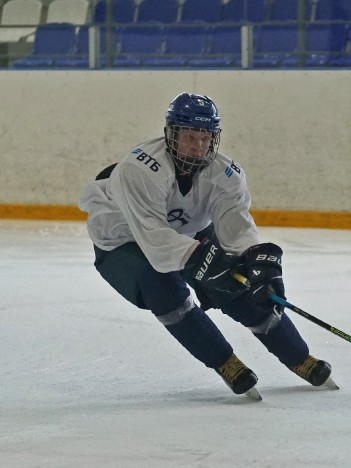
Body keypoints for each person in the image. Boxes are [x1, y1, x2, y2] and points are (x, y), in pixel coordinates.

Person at [78, 92, 335, 399]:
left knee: (240, 283)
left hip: (187, 231)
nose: (198, 147)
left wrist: (255, 261)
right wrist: (202, 261)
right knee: (162, 287)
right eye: (189, 137)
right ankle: (225, 362)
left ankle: (299, 357)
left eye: (205, 138)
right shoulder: (140, 169)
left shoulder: (227, 175)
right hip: (122, 239)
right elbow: (155, 239)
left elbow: (237, 230)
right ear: (170, 134)